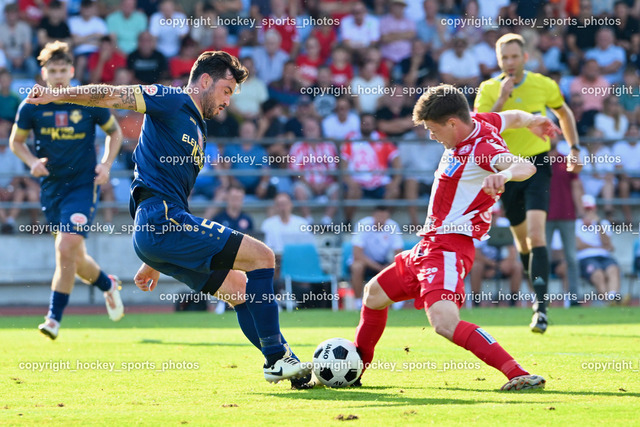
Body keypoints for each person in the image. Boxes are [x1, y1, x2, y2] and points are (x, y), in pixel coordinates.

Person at [23, 50, 311, 385]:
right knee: (262, 257)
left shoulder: (198, 128)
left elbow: (171, 191)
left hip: (161, 229)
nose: (227, 102)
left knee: (239, 290)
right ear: (205, 81)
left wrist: (154, 260)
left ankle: (286, 362)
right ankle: (277, 359)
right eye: (226, 91)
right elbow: (111, 95)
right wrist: (57, 95)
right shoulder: (171, 100)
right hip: (159, 221)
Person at [353, 84, 558, 391]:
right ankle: (354, 372)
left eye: (433, 130)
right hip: (428, 246)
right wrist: (533, 120)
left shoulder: (482, 149)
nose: (431, 136)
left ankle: (517, 373)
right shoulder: (479, 120)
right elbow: (513, 117)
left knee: (444, 323)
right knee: (374, 294)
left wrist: (503, 175)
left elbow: (525, 166)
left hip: (448, 248)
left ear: (452, 123)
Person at [9, 41, 125, 339]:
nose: (58, 76)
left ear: (72, 71)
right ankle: (108, 284)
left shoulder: (87, 100)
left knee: (65, 247)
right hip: (51, 188)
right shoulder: (32, 105)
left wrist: (106, 164)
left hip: (82, 185)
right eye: (53, 71)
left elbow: (115, 133)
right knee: (73, 256)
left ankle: (53, 319)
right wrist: (32, 162)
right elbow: (16, 142)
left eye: (63, 70)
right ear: (44, 73)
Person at [475, 33, 581, 334]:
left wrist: (574, 148)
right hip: (506, 169)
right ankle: (538, 295)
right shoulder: (488, 89)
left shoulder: (542, 84)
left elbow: (563, 112)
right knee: (522, 242)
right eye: (504, 58)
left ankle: (542, 309)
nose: (509, 62)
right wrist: (501, 99)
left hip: (538, 165)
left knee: (536, 236)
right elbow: (480, 129)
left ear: (525, 57)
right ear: (498, 60)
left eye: (514, 56)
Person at [349, 206, 403, 309]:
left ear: (388, 217)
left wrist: (388, 266)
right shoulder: (363, 225)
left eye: (384, 217)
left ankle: (396, 302)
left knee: (399, 266)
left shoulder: (393, 226)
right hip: (366, 262)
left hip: (383, 262)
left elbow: (399, 253)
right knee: (357, 267)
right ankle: (358, 302)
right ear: (373, 216)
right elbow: (357, 254)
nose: (381, 220)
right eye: (379, 216)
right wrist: (379, 268)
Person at [575, 195, 622, 304]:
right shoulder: (576, 224)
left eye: (590, 209)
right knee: (598, 274)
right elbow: (579, 245)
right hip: (585, 258)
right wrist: (598, 247)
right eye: (586, 209)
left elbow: (607, 243)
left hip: (604, 256)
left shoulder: (603, 223)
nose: (588, 212)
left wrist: (598, 224)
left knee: (613, 270)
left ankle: (612, 297)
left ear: (595, 208)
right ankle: (608, 302)